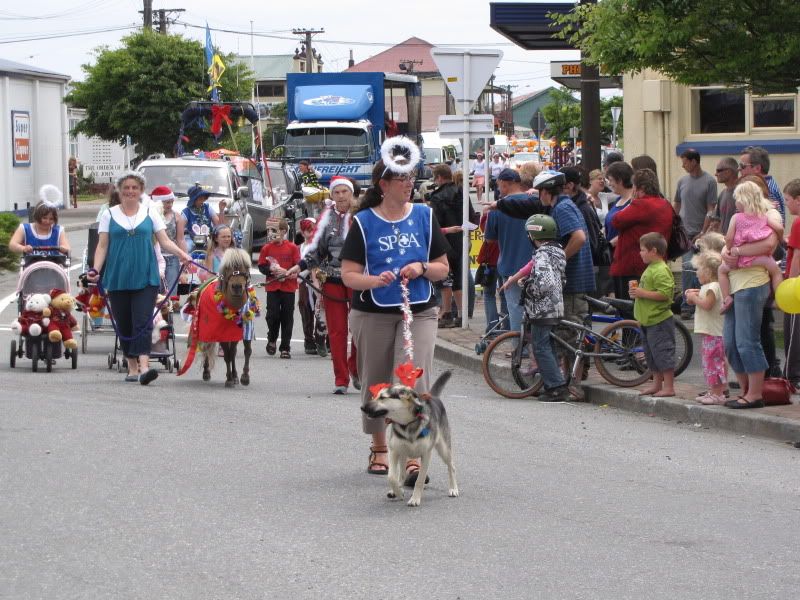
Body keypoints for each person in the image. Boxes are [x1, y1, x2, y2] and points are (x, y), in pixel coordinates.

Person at [340, 139, 449, 483]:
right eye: (402, 179)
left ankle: (414, 456)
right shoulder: (363, 222)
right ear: (383, 184)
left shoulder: (425, 216)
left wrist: (421, 267)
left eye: (411, 178)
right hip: (372, 311)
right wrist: (374, 280)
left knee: (411, 378)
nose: (409, 184)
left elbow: (443, 268)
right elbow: (349, 275)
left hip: (419, 309)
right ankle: (379, 447)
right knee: (376, 381)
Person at [88, 171, 190, 385]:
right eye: (126, 187)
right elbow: (102, 246)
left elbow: (165, 241)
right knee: (124, 324)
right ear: (119, 190)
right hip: (117, 277)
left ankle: (144, 368)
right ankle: (132, 367)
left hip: (146, 276)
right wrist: (95, 270)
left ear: (141, 190)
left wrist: (182, 254)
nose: (130, 191)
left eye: (134, 187)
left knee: (142, 322)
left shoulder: (150, 212)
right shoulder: (109, 215)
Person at [719, 184, 778, 409]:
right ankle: (745, 390)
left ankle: (755, 394)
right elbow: (727, 244)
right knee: (730, 343)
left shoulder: (769, 214)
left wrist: (736, 251)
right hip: (735, 283)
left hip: (753, 283)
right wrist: (727, 253)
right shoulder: (739, 217)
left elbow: (770, 244)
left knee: (747, 341)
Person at [302, 176, 360, 394]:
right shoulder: (325, 218)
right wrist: (299, 267)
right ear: (332, 195)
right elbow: (316, 249)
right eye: (337, 192)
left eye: (345, 192)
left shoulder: (362, 215)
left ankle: (356, 368)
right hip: (333, 277)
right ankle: (341, 379)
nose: (341, 196)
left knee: (360, 328)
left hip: (358, 277)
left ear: (352, 193)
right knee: (337, 331)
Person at [504, 214, 568, 402]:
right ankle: (554, 384)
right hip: (555, 306)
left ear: (533, 235)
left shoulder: (542, 254)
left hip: (542, 308)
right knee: (547, 346)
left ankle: (556, 388)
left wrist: (526, 285)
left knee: (540, 348)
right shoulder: (557, 252)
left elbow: (545, 283)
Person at [531, 170, 595, 320]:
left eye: (539, 192)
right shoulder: (563, 205)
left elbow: (579, 237)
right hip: (572, 281)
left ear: (545, 191)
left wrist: (559, 260)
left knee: (569, 329)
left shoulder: (562, 208)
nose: (539, 196)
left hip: (573, 282)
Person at [484, 169, 538, 337]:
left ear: (504, 184)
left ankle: (518, 347)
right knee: (538, 310)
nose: (498, 189)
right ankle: (537, 346)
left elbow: (489, 239)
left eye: (499, 185)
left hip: (510, 265)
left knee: (515, 310)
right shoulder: (534, 201)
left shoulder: (497, 207)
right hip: (537, 264)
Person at [717, 181, 783, 312]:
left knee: (721, 271)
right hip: (759, 259)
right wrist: (781, 239)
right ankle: (780, 299)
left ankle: (726, 298)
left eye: (736, 200)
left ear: (742, 201)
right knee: (776, 271)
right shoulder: (764, 216)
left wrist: (729, 248)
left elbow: (729, 238)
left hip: (737, 259)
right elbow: (780, 229)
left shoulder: (736, 217)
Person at [610, 168, 674, 300]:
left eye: (634, 185)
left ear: (641, 188)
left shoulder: (640, 204)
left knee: (629, 307)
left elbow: (616, 221)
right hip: (657, 263)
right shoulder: (665, 203)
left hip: (632, 266)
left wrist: (631, 202)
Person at [426, 164, 477, 328]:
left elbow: (435, 223)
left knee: (445, 279)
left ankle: (447, 312)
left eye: (435, 178)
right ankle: (462, 315)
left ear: (439, 178)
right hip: (462, 239)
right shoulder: (462, 192)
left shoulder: (437, 197)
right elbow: (472, 216)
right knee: (460, 278)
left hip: (444, 241)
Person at [673, 148, 718, 320]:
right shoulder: (682, 181)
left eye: (685, 162)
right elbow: (677, 204)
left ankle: (702, 300)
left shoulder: (709, 181)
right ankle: (687, 305)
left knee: (702, 269)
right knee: (687, 267)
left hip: (702, 234)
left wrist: (703, 231)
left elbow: (711, 208)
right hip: (685, 232)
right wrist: (673, 224)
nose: (683, 165)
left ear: (694, 161)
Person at [630, 232, 675, 397]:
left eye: (642, 250)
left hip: (659, 320)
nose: (640, 253)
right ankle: (656, 384)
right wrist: (637, 293)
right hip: (647, 320)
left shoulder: (661, 270)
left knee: (663, 353)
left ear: (653, 251)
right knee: (651, 355)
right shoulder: (651, 268)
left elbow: (665, 294)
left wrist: (642, 293)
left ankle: (669, 387)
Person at [685, 252, 728, 404]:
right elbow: (701, 300)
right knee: (709, 362)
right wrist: (692, 297)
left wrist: (694, 298)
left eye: (698, 269)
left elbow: (707, 305)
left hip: (714, 333)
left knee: (714, 363)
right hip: (710, 333)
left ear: (708, 272)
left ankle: (717, 394)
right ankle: (713, 391)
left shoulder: (713, 287)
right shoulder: (708, 287)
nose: (696, 273)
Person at [258, 218, 301, 359]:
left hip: (288, 287)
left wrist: (287, 272)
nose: (270, 233)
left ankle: (285, 347)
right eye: (269, 230)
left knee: (287, 317)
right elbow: (261, 266)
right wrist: (271, 270)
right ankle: (272, 338)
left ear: (283, 231)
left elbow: (298, 266)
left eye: (274, 230)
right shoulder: (266, 248)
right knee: (273, 315)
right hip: (273, 287)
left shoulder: (292, 248)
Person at [783, 179, 800, 387]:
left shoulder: (798, 222)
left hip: (796, 284)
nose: (786, 204)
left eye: (787, 200)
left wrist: (791, 283)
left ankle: (793, 375)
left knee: (794, 331)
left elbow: (797, 256)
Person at [149, 186, 181, 299]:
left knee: (171, 291)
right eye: (167, 202)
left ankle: (171, 308)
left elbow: (180, 239)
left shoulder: (176, 216)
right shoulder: (149, 217)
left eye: (172, 202)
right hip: (155, 257)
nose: (170, 205)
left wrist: (183, 258)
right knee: (155, 292)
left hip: (172, 257)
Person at [739, 146, 784, 220]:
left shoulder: (766, 189)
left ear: (757, 168)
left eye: (742, 166)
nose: (739, 169)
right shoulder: (764, 185)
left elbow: (775, 220)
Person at [177, 185, 223, 252]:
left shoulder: (208, 208)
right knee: (188, 247)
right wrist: (184, 254)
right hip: (191, 238)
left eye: (203, 197)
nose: (202, 200)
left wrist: (221, 210)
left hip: (207, 238)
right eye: (200, 198)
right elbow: (180, 236)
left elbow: (220, 227)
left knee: (215, 249)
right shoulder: (186, 212)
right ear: (194, 200)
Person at [297, 217, 318, 355]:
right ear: (302, 232)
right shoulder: (299, 248)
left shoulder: (319, 246)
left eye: (314, 230)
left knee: (321, 311)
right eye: (308, 231)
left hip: (319, 282)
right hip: (304, 284)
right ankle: (309, 340)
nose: (311, 233)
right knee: (305, 310)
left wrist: (304, 272)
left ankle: (322, 338)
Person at [604, 161, 634, 252]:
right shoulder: (618, 200)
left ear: (620, 181)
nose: (609, 184)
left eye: (611, 180)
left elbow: (632, 231)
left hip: (624, 252)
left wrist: (610, 244)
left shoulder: (634, 202)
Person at [709, 157, 740, 235]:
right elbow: (717, 221)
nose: (715, 174)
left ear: (728, 172)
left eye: (718, 170)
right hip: (724, 241)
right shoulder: (722, 194)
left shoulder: (742, 194)